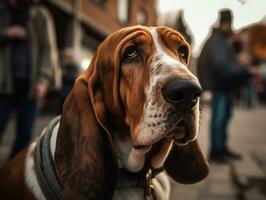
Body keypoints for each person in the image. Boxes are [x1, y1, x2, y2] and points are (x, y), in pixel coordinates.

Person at [0, 0, 58, 158]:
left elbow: (48, 49)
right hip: (3, 84)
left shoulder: (41, 15)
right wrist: (6, 33)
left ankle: (9, 174)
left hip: (30, 87)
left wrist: (43, 80)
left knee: (24, 134)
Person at [197, 9, 255, 162]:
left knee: (224, 117)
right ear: (226, 23)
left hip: (224, 86)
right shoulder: (218, 40)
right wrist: (245, 70)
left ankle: (222, 148)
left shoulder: (223, 40)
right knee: (219, 118)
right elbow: (222, 66)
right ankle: (216, 152)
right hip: (219, 86)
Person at [58, 48, 79, 114]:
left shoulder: (74, 66)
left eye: (66, 57)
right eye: (64, 57)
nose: (65, 59)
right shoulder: (63, 65)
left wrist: (63, 74)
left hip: (68, 91)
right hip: (62, 91)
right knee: (59, 109)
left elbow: (72, 77)